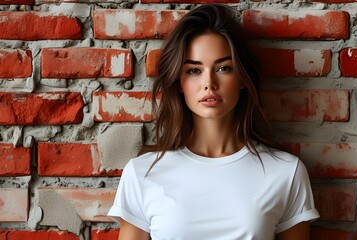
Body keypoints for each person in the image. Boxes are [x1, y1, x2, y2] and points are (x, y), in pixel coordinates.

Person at [108, 4, 319, 240]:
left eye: (223, 68)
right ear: (179, 82)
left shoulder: (285, 172)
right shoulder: (142, 173)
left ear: (242, 77)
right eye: (194, 71)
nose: (209, 83)